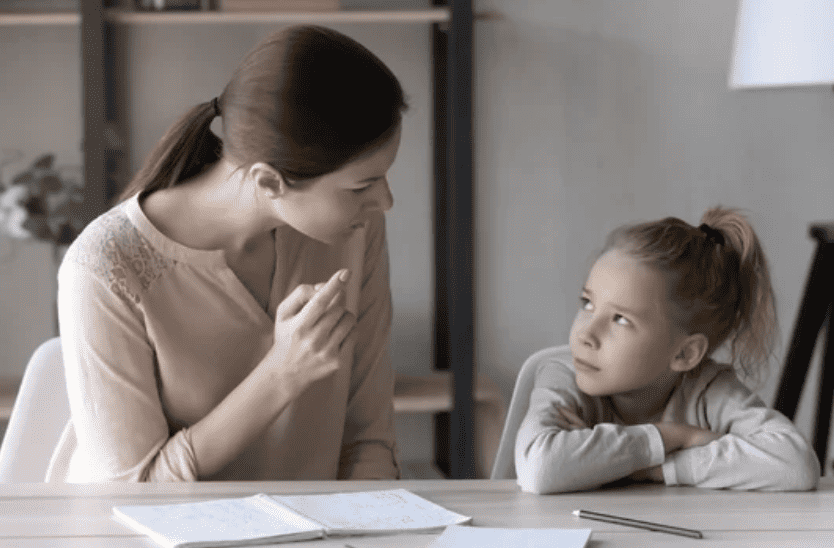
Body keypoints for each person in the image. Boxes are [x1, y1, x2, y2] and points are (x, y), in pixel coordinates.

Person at [46, 25, 407, 482]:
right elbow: (130, 490)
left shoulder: (355, 230)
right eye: (362, 186)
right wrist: (281, 373)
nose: (385, 202)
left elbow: (369, 439)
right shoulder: (103, 268)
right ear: (269, 181)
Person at [515, 207, 821, 494]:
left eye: (620, 319)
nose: (585, 335)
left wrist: (650, 469)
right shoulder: (564, 376)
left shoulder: (707, 390)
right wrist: (673, 436)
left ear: (685, 354)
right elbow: (540, 468)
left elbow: (796, 465)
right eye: (587, 304)